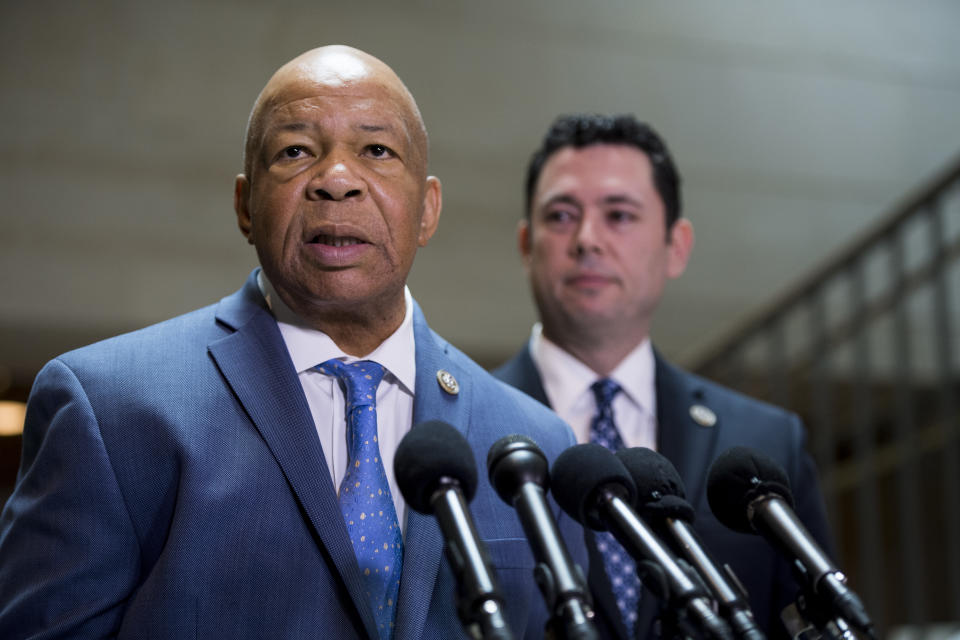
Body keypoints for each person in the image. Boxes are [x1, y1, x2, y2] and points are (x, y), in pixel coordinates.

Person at [0, 46, 586, 640]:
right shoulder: (109, 409)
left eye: (376, 150)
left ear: (428, 210)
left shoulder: (534, 442)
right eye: (296, 152)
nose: (336, 181)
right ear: (245, 205)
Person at [493, 114, 835, 639]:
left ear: (676, 245)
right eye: (561, 215)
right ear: (525, 244)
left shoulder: (765, 445)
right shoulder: (467, 428)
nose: (587, 239)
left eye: (620, 215)